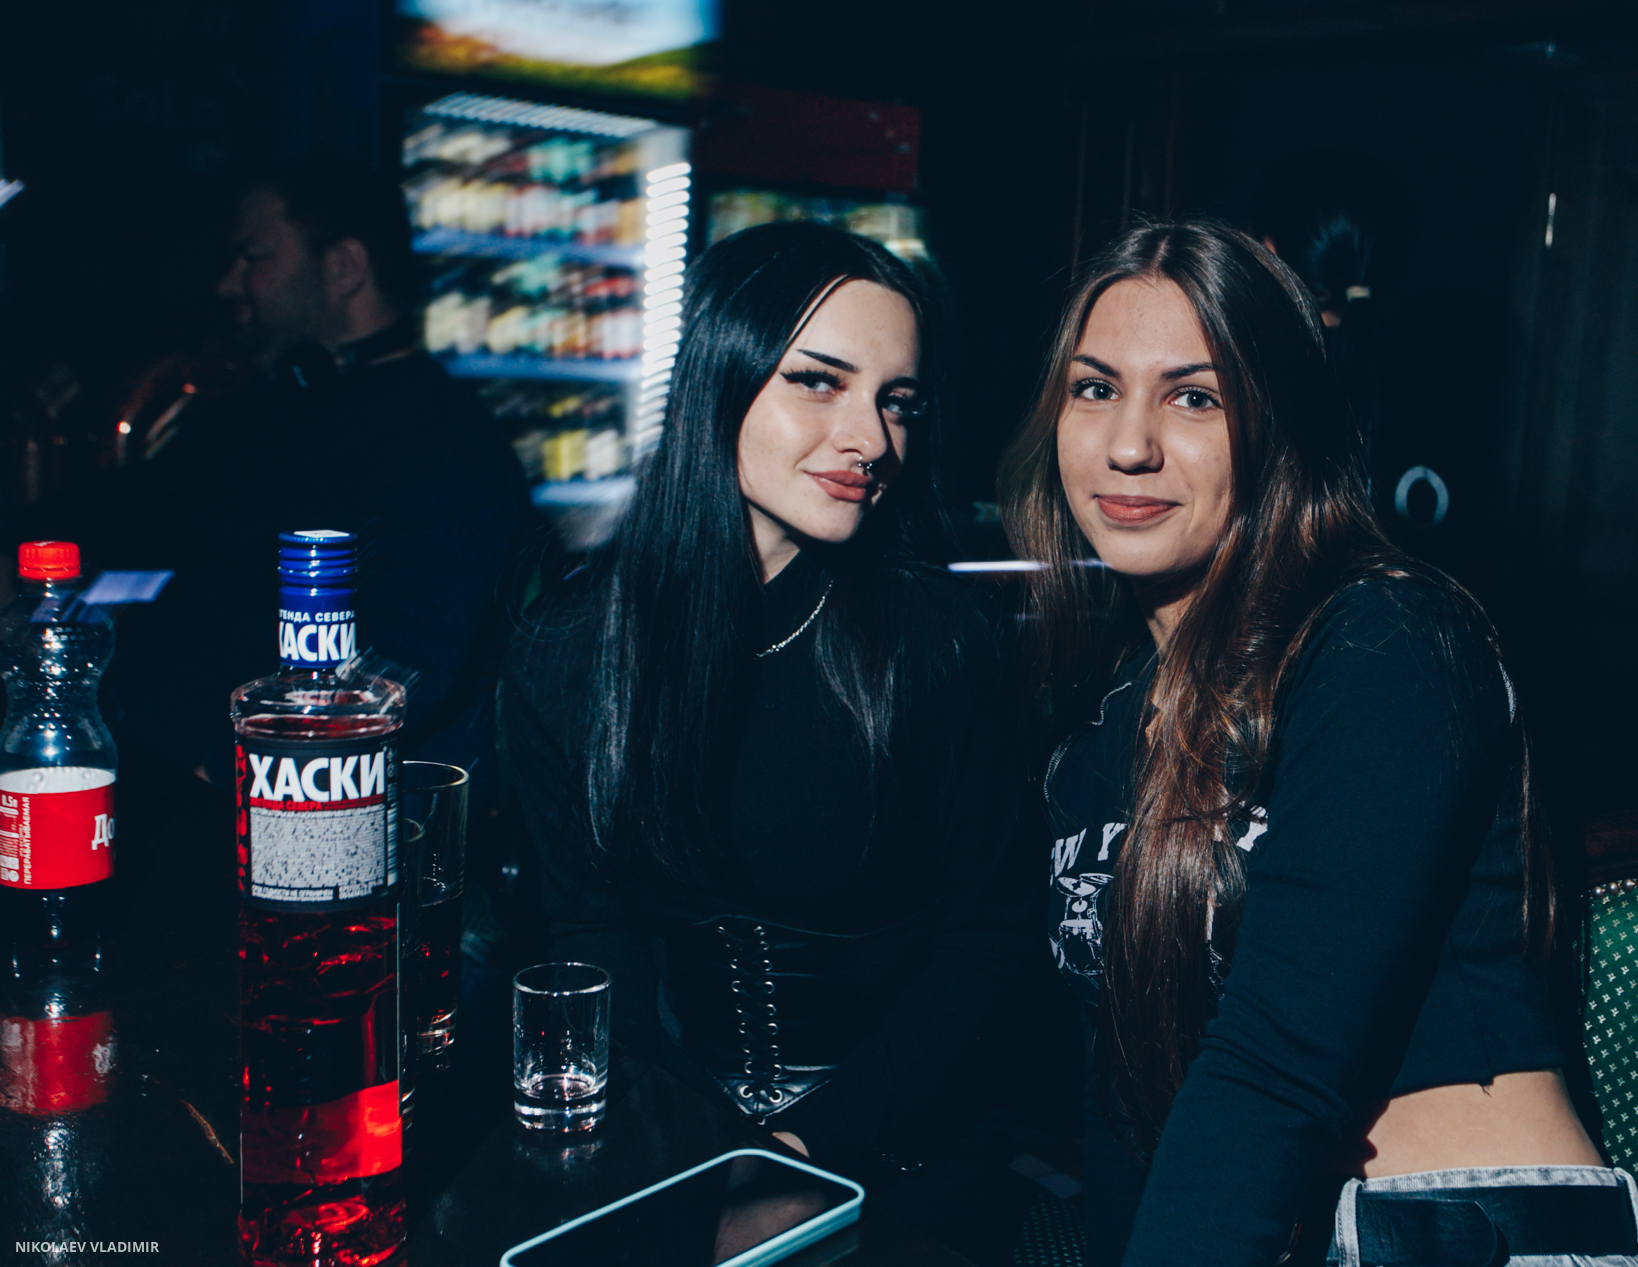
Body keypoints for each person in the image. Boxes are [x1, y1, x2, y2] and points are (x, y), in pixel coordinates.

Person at [999, 218, 1638, 1266]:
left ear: (1279, 426)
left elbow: (1276, 1060)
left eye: (1195, 397)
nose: (1128, 443)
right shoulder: (1103, 720)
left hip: (1461, 1229)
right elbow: (1125, 1105)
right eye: (1095, 387)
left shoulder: (1388, 642)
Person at [501, 223, 1036, 1195]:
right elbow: (591, 930)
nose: (871, 440)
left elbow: (988, 943)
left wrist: (799, 1150)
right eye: (819, 381)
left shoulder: (938, 643)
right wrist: (666, 1142)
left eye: (898, 402)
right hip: (674, 1125)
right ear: (717, 375)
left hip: (903, 1143)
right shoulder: (570, 648)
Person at [101, 153, 527, 793]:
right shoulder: (279, 408)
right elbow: (156, 538)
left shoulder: (442, 441)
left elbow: (409, 657)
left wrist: (227, 765)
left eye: (255, 258)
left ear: (344, 267)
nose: (229, 284)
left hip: (292, 809)